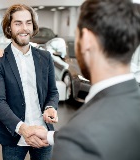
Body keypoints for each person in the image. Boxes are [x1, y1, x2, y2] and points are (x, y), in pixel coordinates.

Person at [28, 0, 140, 160]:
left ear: (86, 39)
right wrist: (50, 136)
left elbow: (88, 135)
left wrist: (68, 138)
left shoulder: (77, 139)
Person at [0, 4, 59, 160]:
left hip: (43, 134)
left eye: (28, 23)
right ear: (9, 28)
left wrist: (50, 107)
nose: (24, 28)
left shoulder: (45, 57)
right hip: (13, 136)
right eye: (18, 23)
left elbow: (52, 92)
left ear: (33, 26)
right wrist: (23, 129)